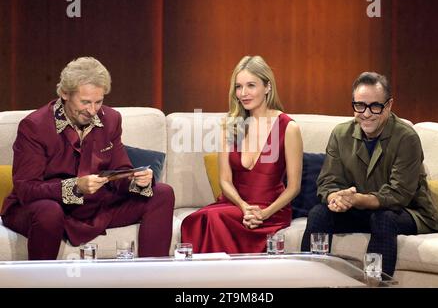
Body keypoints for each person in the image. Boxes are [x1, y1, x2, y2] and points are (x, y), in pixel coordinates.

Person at [0, 57, 175, 260]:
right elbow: (26, 189)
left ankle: (152, 279)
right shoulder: (34, 126)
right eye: (85, 102)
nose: (93, 111)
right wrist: (76, 187)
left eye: (98, 102)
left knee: (161, 192)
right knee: (49, 212)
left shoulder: (110, 119)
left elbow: (120, 170)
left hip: (93, 206)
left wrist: (135, 179)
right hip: (44, 208)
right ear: (64, 93)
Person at [300, 72, 438, 276]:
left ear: (389, 105)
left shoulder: (406, 138)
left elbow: (399, 194)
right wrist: (336, 198)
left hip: (409, 212)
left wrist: (355, 199)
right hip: (360, 209)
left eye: (375, 106)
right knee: (319, 213)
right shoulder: (340, 134)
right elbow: (327, 181)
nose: (366, 114)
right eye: (359, 105)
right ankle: (308, 279)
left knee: (383, 218)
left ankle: (376, 282)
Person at [181, 55, 303, 253]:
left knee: (212, 219)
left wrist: (263, 214)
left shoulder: (289, 128)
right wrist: (244, 207)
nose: (243, 93)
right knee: (196, 220)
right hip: (236, 205)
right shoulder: (230, 126)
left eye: (251, 85)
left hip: (271, 210)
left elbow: (294, 187)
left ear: (267, 86)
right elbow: (225, 180)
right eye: (238, 87)